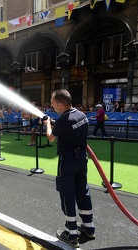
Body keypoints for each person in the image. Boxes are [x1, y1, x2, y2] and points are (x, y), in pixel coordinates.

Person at [44, 89, 95, 248]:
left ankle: (71, 234)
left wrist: (47, 125)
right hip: (81, 161)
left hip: (67, 162)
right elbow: (70, 129)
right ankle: (89, 227)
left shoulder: (63, 121)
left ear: (60, 104)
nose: (52, 106)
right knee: (83, 191)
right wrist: (56, 124)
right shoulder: (82, 116)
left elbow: (51, 138)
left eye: (53, 103)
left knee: (67, 195)